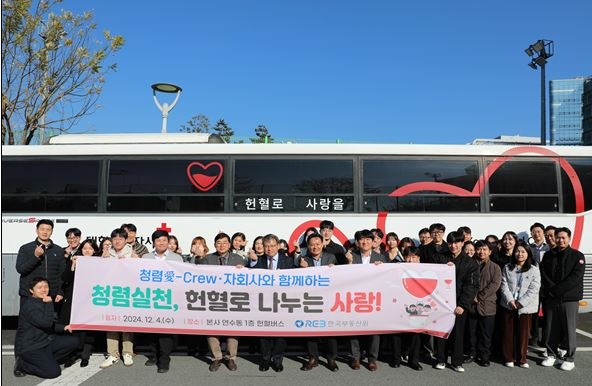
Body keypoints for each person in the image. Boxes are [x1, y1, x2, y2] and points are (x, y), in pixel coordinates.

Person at [196, 232, 245, 372]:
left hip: (232, 299)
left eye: (224, 242)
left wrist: (243, 270)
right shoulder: (208, 258)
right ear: (214, 245)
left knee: (232, 329)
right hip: (213, 299)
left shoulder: (238, 259)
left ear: (229, 245)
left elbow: (248, 277)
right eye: (219, 243)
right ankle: (216, 357)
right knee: (212, 328)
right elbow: (197, 271)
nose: (222, 245)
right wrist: (199, 257)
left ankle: (231, 358)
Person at [13, 277, 79, 379]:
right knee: (53, 373)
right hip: (31, 347)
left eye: (46, 286)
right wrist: (49, 303)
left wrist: (64, 327)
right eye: (39, 287)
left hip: (46, 341)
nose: (44, 289)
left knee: (74, 341)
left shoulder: (41, 301)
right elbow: (46, 323)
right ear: (31, 291)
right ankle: (22, 365)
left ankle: (47, 361)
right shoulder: (30, 306)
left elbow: (50, 324)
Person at [433, 231, 480, 373]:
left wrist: (463, 305)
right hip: (441, 303)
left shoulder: (471, 263)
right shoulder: (440, 258)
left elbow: (472, 286)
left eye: (457, 242)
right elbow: (433, 278)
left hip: (459, 304)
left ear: (462, 243)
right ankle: (441, 359)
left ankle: (456, 361)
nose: (454, 246)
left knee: (458, 334)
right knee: (441, 333)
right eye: (451, 242)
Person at [540, 227, 585, 371]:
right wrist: (552, 290)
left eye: (563, 237)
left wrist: (557, 290)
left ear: (569, 238)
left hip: (569, 299)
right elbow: (543, 273)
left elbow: (576, 277)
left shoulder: (577, 255)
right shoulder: (548, 255)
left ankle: (570, 358)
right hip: (551, 297)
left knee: (569, 328)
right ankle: (551, 354)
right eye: (558, 237)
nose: (560, 240)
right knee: (551, 327)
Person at [249, 234, 295, 372]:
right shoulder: (258, 260)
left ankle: (277, 359)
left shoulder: (288, 261)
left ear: (278, 246)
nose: (269, 249)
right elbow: (249, 275)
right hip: (263, 303)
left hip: (282, 303)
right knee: (264, 333)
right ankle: (265, 359)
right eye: (266, 246)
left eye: (272, 246)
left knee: (281, 333)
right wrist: (251, 263)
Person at [142, 230, 184, 373]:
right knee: (151, 329)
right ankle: (153, 355)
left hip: (169, 299)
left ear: (168, 242)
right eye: (158, 240)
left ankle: (164, 360)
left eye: (164, 240)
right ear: (153, 242)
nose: (161, 243)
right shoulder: (145, 257)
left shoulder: (177, 258)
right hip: (150, 298)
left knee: (165, 330)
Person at [345, 229, 385, 371]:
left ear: (372, 241)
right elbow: (344, 278)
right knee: (353, 329)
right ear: (357, 242)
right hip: (355, 298)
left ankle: (372, 359)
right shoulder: (351, 256)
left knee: (374, 331)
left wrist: (382, 269)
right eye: (362, 239)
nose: (365, 242)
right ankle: (355, 357)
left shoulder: (380, 258)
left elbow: (386, 280)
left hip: (373, 299)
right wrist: (349, 263)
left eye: (368, 239)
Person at [298, 233, 339, 372]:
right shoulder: (302, 259)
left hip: (328, 300)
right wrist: (302, 270)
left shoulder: (331, 258)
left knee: (329, 331)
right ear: (308, 246)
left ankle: (331, 358)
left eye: (317, 244)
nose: (315, 247)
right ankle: (313, 358)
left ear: (322, 244)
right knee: (310, 330)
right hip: (309, 300)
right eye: (312, 244)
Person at [59, 239, 101, 368]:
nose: (87, 250)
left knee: (87, 328)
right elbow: (65, 279)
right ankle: (72, 354)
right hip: (74, 298)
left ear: (94, 251)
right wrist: (72, 265)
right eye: (84, 248)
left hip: (91, 299)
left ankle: (85, 355)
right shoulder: (75, 260)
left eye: (90, 248)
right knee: (73, 325)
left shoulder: (100, 263)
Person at [499, 240, 541, 368]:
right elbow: (503, 285)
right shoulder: (507, 267)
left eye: (523, 251)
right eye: (517, 251)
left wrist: (521, 302)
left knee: (523, 333)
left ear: (528, 254)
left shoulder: (534, 270)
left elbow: (534, 288)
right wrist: (510, 300)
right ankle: (509, 357)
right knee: (508, 332)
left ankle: (522, 359)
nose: (520, 254)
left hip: (526, 306)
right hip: (509, 304)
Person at [101, 228, 137, 368]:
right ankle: (113, 353)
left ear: (125, 240)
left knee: (127, 323)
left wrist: (132, 262)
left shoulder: (132, 254)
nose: (117, 241)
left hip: (128, 294)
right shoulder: (106, 254)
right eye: (114, 239)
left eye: (120, 239)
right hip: (111, 293)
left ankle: (127, 352)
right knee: (111, 323)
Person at [465, 240, 501, 367]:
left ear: (490, 251)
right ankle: (471, 354)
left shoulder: (495, 267)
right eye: (479, 249)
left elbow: (495, 285)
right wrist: (472, 296)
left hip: (488, 305)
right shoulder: (470, 264)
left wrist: (479, 296)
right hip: (471, 304)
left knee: (486, 334)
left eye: (485, 249)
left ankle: (484, 356)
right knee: (472, 332)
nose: (481, 252)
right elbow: (466, 282)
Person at [16, 219, 66, 308]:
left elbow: (61, 274)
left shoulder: (58, 250)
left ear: (52, 232)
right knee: (28, 321)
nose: (45, 232)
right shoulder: (25, 248)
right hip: (29, 295)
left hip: (51, 296)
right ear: (37, 230)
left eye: (48, 229)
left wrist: (60, 292)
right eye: (42, 229)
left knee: (51, 320)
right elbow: (21, 269)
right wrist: (36, 257)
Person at [391, 246, 423, 371]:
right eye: (408, 257)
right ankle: (396, 359)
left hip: (416, 305)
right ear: (404, 257)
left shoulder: (426, 269)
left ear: (419, 258)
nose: (411, 260)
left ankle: (413, 360)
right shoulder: (397, 268)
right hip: (399, 304)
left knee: (416, 333)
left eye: (414, 257)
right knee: (396, 332)